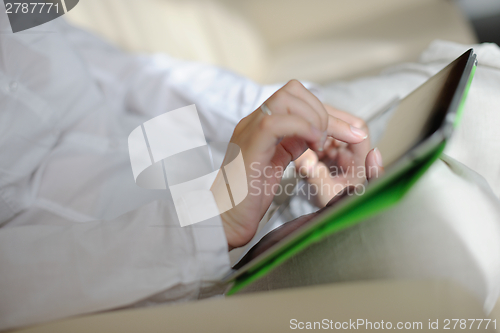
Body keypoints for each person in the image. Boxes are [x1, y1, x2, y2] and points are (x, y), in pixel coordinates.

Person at [0, 12, 384, 330]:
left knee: (419, 109)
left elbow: (128, 73)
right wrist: (214, 223)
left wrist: (280, 116)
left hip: (247, 175)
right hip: (161, 273)